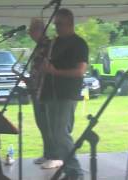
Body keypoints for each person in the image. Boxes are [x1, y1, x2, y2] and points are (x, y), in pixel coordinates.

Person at [41, 8, 88, 180]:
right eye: (55, 24)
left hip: (67, 93)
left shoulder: (79, 43)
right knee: (54, 135)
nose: (56, 27)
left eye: (59, 24)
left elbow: (80, 71)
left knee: (61, 133)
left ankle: (76, 172)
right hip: (51, 93)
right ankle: (69, 171)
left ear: (70, 23)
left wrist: (54, 71)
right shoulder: (55, 43)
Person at [27, 18, 55, 165]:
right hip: (36, 89)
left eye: (32, 30)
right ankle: (47, 153)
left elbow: (46, 67)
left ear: (40, 30)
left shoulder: (49, 45)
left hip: (45, 91)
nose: (29, 33)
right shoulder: (38, 46)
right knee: (41, 124)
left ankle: (53, 155)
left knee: (47, 124)